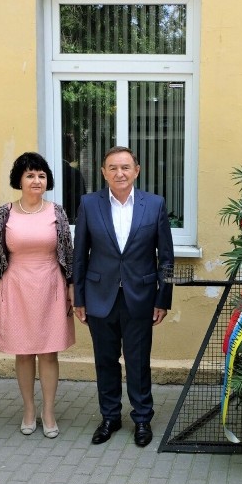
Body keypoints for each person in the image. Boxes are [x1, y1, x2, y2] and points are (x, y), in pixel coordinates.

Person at [73, 146, 174, 447]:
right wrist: (78, 298)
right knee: (105, 360)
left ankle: (142, 418)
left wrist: (162, 298)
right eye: (113, 167)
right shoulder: (89, 204)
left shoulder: (154, 205)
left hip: (140, 297)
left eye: (125, 167)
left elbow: (166, 257)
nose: (120, 173)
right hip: (99, 295)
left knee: (138, 361)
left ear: (137, 170)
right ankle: (110, 417)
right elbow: (80, 256)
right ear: (103, 172)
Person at [0, 152, 75, 439]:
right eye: (30, 175)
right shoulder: (5, 212)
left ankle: (48, 411)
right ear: (19, 180)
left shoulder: (56, 211)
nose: (37, 180)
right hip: (16, 286)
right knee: (23, 353)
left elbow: (68, 254)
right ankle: (28, 410)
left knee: (48, 352)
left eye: (42, 175)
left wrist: (72, 288)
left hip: (51, 286)